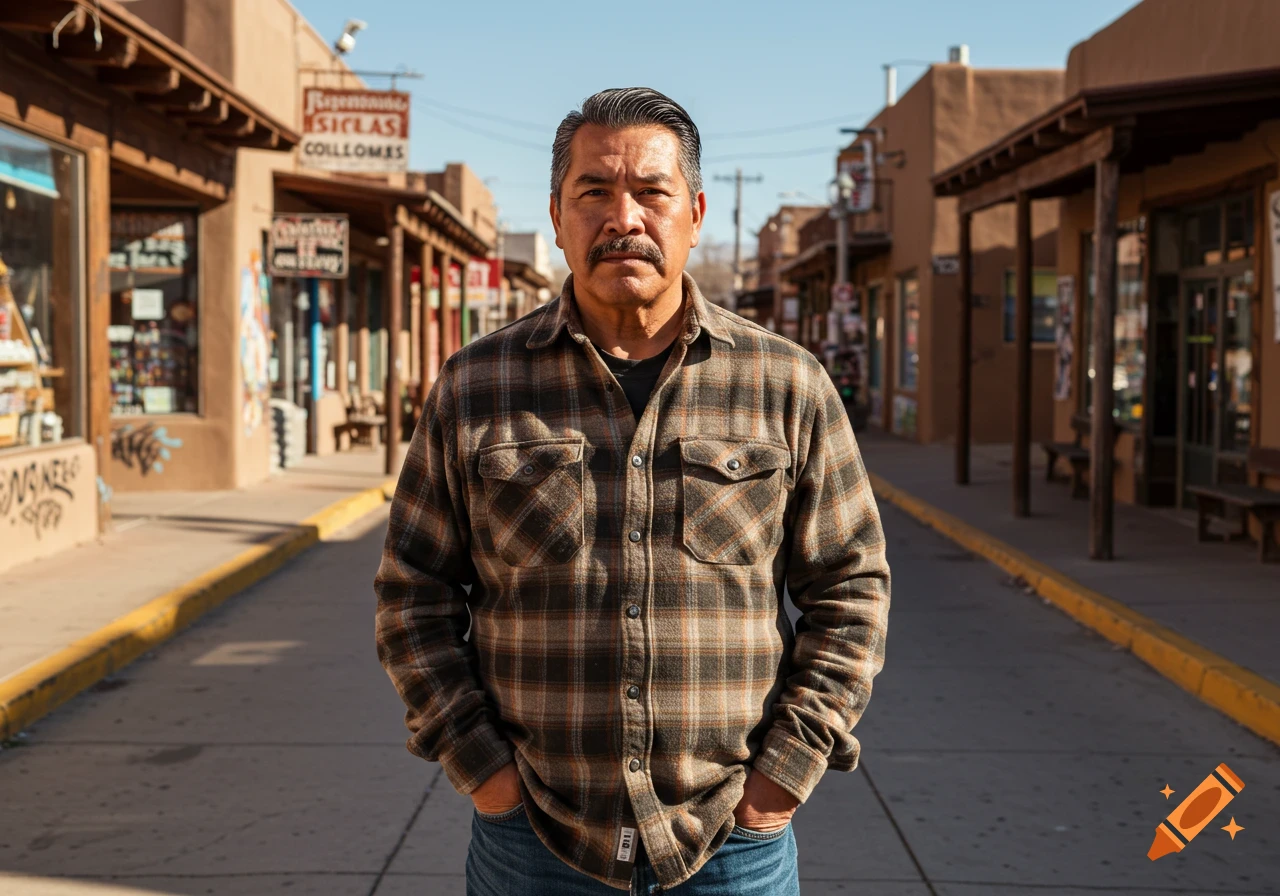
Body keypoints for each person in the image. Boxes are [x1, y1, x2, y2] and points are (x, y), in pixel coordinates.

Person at [375, 87, 891, 895]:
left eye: (651, 192)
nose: (624, 218)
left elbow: (851, 589)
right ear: (556, 215)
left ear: (694, 211)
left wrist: (780, 783)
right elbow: (413, 595)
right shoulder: (478, 385)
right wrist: (486, 776)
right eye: (594, 193)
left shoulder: (785, 384)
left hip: (734, 852)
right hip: (535, 848)